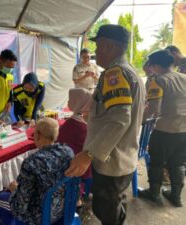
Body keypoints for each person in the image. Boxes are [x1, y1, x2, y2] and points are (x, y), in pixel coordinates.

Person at [65, 24, 145, 225]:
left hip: (112, 160)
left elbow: (118, 120)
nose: (95, 52)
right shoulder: (130, 72)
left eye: (98, 46)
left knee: (104, 208)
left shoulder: (114, 74)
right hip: (124, 156)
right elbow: (117, 111)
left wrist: (88, 154)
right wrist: (92, 112)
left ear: (109, 46)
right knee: (114, 202)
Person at [0, 118, 74, 225]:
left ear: (38, 135)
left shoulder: (32, 162)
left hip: (39, 217)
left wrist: (15, 190)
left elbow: (20, 207)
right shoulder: (68, 152)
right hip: (63, 211)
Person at [138, 50, 186, 207]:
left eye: (151, 65)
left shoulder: (158, 81)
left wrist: (139, 121)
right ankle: (176, 197)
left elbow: (153, 108)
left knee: (157, 162)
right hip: (184, 130)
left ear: (156, 65)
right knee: (178, 163)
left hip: (165, 129)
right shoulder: (184, 77)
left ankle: (154, 193)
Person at [57, 88, 93, 201]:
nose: (68, 102)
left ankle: (77, 196)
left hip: (77, 168)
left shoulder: (72, 124)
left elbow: (58, 142)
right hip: (89, 165)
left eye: (70, 100)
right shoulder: (88, 122)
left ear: (77, 102)